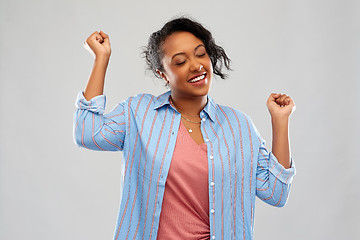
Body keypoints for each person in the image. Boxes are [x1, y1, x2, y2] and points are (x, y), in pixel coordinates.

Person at [73, 17, 296, 240]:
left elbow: (276, 193)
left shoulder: (239, 125)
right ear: (163, 74)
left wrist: (280, 121)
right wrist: (101, 59)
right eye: (180, 61)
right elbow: (87, 133)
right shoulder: (139, 112)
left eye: (201, 54)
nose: (196, 65)